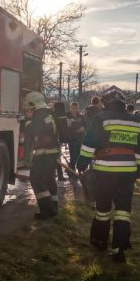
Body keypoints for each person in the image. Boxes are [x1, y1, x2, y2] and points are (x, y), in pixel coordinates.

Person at [77, 89, 140, 262]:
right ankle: (119, 248)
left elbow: (89, 144)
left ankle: (99, 240)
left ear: (105, 103)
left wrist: (81, 164)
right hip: (127, 172)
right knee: (123, 211)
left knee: (103, 209)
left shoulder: (101, 118)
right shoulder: (136, 121)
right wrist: (137, 170)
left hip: (105, 171)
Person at [24, 91, 60, 219]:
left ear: (33, 104)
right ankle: (54, 207)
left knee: (37, 180)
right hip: (52, 152)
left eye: (28, 104)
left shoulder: (39, 114)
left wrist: (28, 119)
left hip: (43, 153)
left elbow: (31, 130)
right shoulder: (50, 112)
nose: (26, 107)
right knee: (50, 179)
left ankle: (47, 210)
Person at [67, 101, 86, 171]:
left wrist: (83, 128)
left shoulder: (80, 116)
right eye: (73, 108)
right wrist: (76, 129)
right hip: (71, 138)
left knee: (78, 153)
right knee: (73, 154)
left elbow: (85, 125)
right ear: (70, 108)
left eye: (76, 108)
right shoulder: (67, 115)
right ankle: (72, 169)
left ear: (78, 108)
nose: (74, 110)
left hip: (80, 138)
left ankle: (71, 166)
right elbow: (67, 126)